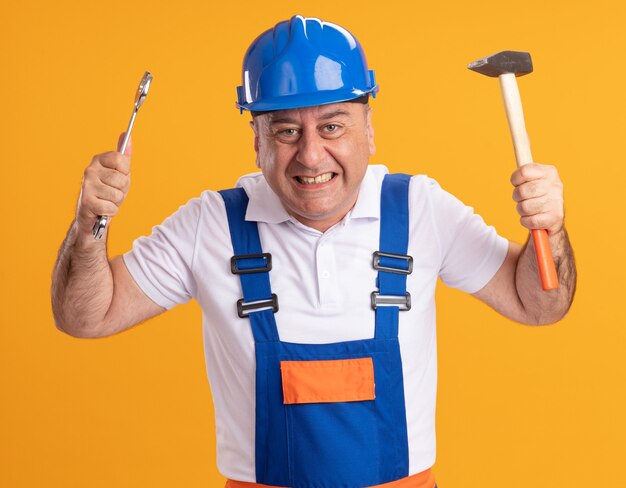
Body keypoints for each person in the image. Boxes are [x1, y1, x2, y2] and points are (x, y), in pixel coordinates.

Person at [51, 15, 576, 488]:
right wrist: (90, 223)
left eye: (332, 126)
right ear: (255, 138)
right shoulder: (210, 223)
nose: (310, 154)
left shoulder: (421, 210)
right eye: (285, 130)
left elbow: (539, 304)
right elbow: (85, 316)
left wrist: (548, 228)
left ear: (368, 130)